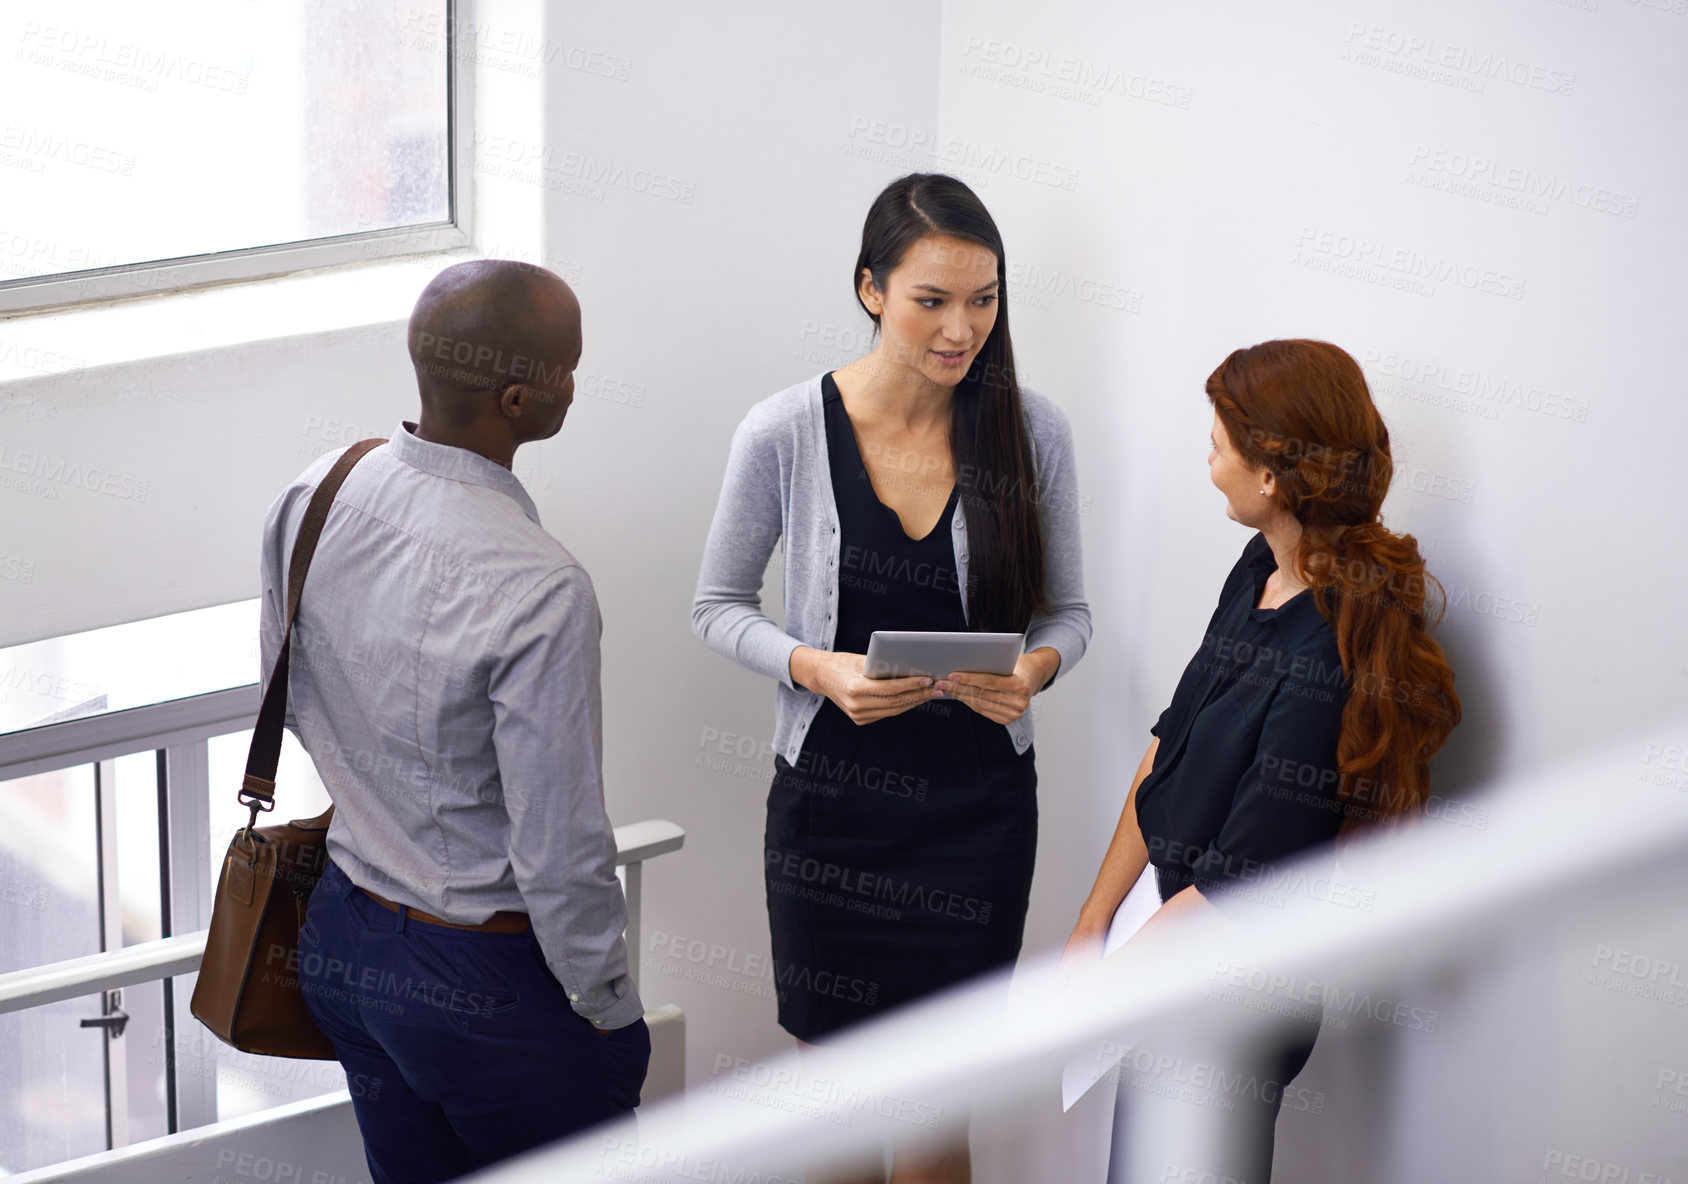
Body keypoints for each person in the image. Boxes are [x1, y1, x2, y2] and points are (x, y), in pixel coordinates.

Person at [692, 173, 1091, 1184]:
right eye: (933, 301)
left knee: (932, 1118)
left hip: (978, 818)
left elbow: (1068, 616)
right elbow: (716, 604)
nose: (963, 329)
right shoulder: (782, 430)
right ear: (870, 289)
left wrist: (1033, 670)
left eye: (984, 299)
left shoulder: (1030, 429)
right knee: (830, 1118)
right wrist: (812, 667)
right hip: (832, 813)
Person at [260, 260, 649, 1184]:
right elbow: (559, 848)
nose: (574, 385)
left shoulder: (320, 487)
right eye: (569, 369)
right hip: (484, 981)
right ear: (518, 397)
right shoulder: (541, 586)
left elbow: (293, 694)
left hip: (345, 936)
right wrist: (608, 1007)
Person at [1063, 339, 1461, 1182]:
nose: (1207, 461)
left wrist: (1107, 994)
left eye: (1218, 445)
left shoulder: (1325, 655)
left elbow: (1239, 880)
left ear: (1272, 475)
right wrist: (1093, 926)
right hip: (1163, 944)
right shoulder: (1258, 570)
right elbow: (1168, 744)